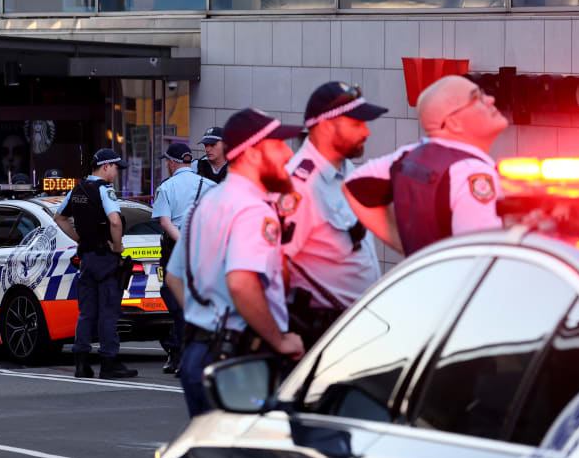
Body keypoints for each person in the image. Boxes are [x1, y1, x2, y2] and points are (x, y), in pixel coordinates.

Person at [165, 109, 305, 418]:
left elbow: (174, 278)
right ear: (254, 152)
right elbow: (241, 283)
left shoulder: (205, 204)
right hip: (240, 360)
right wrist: (279, 340)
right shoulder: (255, 210)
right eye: (278, 143)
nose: (286, 152)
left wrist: (207, 319)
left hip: (199, 354)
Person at [344, 74, 509, 256]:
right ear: (453, 123)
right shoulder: (472, 173)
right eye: (476, 98)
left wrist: (414, 254)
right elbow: (483, 260)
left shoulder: (407, 155)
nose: (490, 100)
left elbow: (354, 185)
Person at [282, 82, 388, 347]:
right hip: (320, 333)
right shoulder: (299, 185)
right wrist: (280, 336)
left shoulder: (347, 172)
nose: (366, 131)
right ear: (327, 126)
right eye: (356, 124)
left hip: (353, 329)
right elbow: (273, 267)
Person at [54, 149, 139, 380]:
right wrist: (118, 246)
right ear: (105, 167)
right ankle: (109, 363)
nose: (117, 172)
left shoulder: (78, 188)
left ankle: (82, 364)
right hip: (105, 257)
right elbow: (114, 221)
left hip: (87, 258)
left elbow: (59, 217)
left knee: (86, 313)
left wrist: (79, 238)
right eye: (115, 167)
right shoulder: (105, 190)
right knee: (108, 312)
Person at [152, 142, 216, 374]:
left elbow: (165, 222)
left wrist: (183, 243)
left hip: (175, 249)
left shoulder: (166, 187)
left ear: (172, 162)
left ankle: (181, 356)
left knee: (177, 303)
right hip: (203, 249)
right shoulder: (209, 185)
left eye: (167, 161)